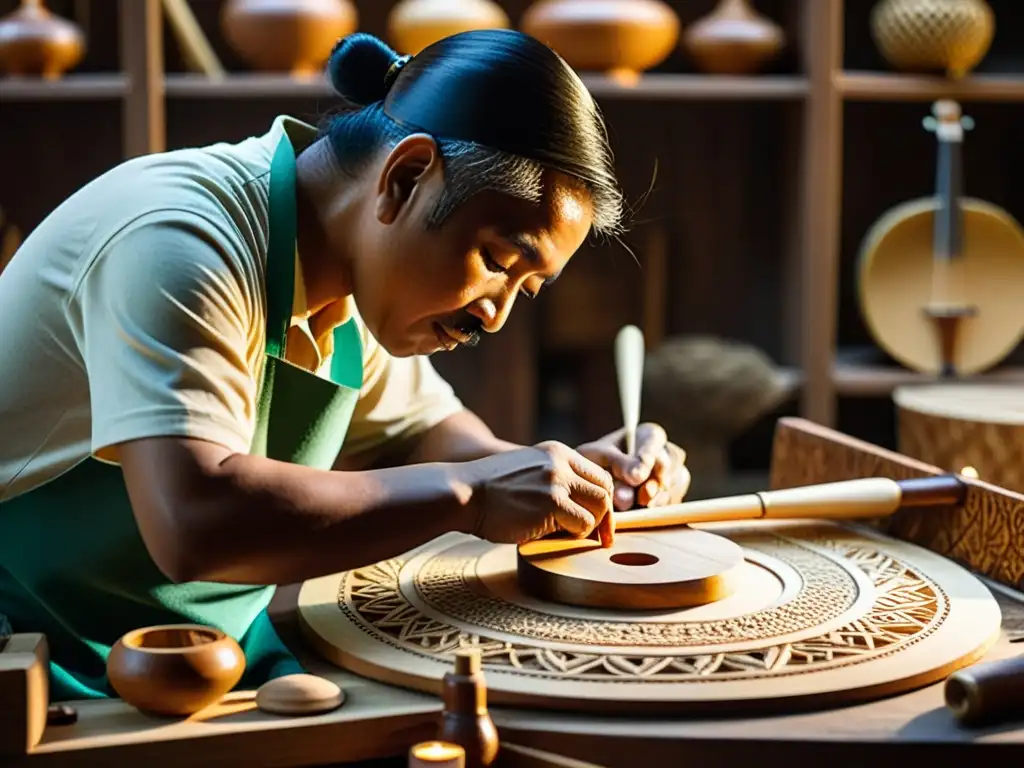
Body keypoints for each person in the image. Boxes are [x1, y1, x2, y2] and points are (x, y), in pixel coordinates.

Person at [0, 30, 690, 702]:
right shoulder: (180, 239)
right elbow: (195, 522)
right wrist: (474, 492)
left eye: (524, 290)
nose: (495, 316)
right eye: (498, 263)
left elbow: (435, 436)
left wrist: (567, 483)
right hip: (39, 661)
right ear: (407, 176)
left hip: (207, 657)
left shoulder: (349, 270)